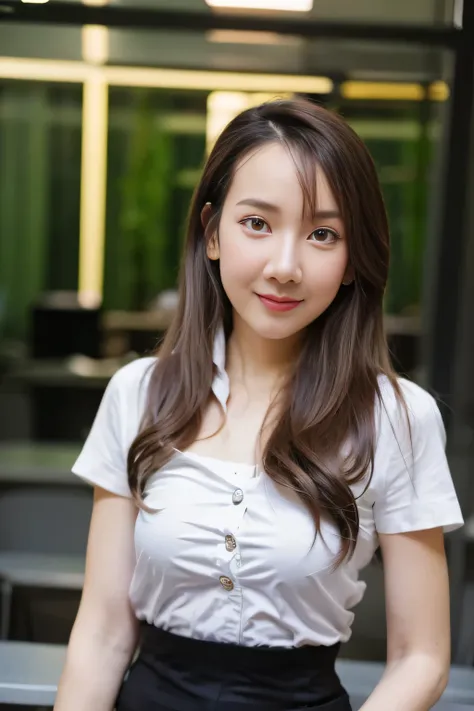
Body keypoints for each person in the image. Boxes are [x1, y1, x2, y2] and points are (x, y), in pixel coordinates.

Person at [54, 98, 463, 711]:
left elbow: (421, 658)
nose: (285, 266)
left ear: (355, 261)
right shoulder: (139, 392)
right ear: (212, 232)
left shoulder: (398, 417)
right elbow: (104, 632)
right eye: (258, 223)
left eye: (324, 234)